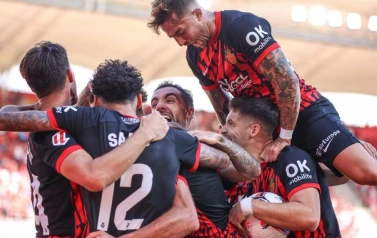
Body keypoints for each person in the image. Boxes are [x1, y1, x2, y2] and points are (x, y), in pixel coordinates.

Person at [147, 0, 377, 185]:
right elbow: (220, 103)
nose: (179, 42)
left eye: (181, 31)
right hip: (264, 128)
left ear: (198, 14)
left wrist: (284, 138)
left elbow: (285, 80)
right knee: (280, 180)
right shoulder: (194, 55)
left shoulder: (239, 26)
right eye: (173, 37)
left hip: (304, 112)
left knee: (366, 173)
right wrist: (233, 136)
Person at [0, 59, 219, 237]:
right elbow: (191, 213)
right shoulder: (171, 139)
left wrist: (43, 106)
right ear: (140, 101)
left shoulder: (80, 127)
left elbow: (0, 119)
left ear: (95, 100)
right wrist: (217, 139)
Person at [192, 97, 341, 237]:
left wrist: (248, 206)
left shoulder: (290, 158)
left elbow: (309, 216)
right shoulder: (253, 173)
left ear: (254, 130)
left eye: (230, 123)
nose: (222, 130)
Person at [150, 80, 259, 237]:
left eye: (170, 100)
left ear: (189, 113)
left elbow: (252, 171)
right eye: (154, 104)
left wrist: (220, 140)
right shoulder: (142, 144)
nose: (159, 106)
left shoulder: (201, 147)